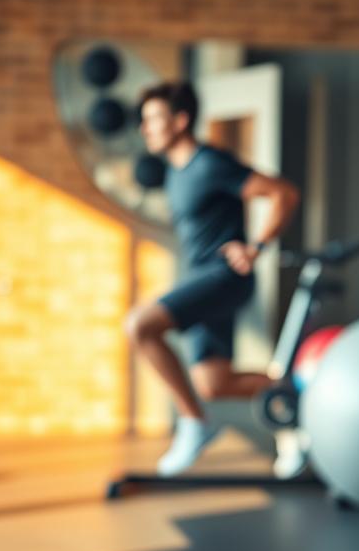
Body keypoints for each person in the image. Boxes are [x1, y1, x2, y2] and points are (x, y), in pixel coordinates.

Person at [125, 81, 301, 477]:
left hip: (224, 277)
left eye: (153, 118)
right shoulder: (175, 173)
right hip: (202, 279)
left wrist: (256, 245)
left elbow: (283, 194)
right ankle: (299, 398)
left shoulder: (210, 163)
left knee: (140, 326)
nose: (145, 128)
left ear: (181, 120)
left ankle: (195, 423)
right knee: (213, 384)